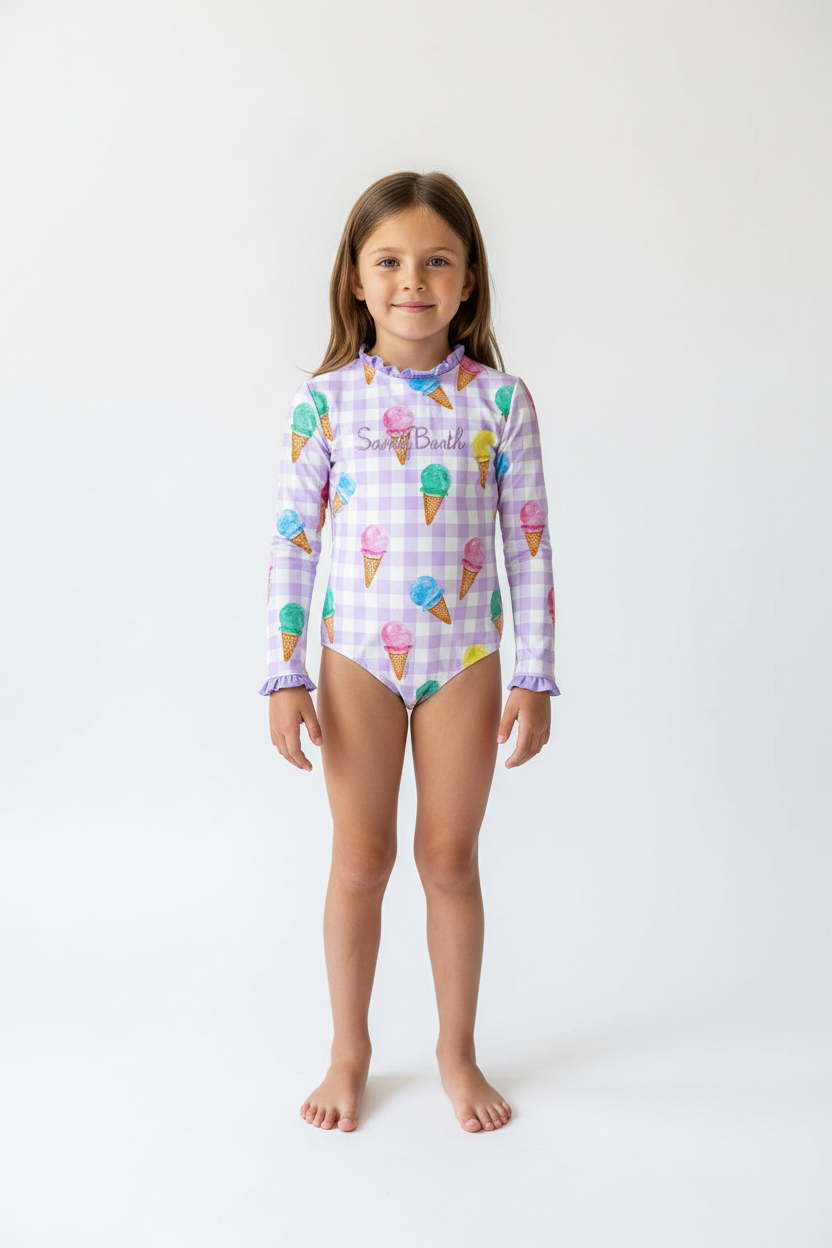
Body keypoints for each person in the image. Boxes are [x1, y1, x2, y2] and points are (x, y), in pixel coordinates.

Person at [258, 170, 560, 1133]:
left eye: (437, 261)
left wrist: (534, 674)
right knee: (361, 861)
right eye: (389, 261)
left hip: (464, 661)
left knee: (449, 861)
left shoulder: (501, 402)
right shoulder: (325, 404)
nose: (413, 280)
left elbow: (529, 544)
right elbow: (293, 541)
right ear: (356, 278)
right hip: (355, 661)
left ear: (469, 280)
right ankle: (349, 1052)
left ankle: (456, 1053)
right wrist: (285, 671)